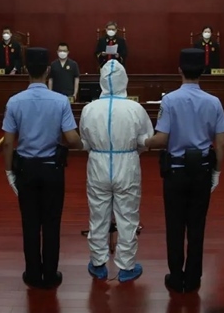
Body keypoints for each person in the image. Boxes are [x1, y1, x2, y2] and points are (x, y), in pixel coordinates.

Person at [144, 48, 224, 293]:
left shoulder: (170, 100)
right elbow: (221, 143)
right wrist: (216, 173)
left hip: (176, 172)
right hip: (202, 171)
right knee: (197, 226)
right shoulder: (214, 102)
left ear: (179, 70)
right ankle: (193, 278)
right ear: (202, 71)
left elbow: (161, 139)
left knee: (175, 225)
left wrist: (144, 141)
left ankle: (175, 276)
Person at [2, 47, 83, 289]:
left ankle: (32, 273)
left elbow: (8, 143)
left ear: (26, 70)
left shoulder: (14, 101)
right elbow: (72, 138)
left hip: (25, 170)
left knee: (29, 223)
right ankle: (50, 273)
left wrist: (8, 172)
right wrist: (81, 143)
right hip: (52, 169)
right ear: (48, 70)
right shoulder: (60, 101)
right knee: (51, 222)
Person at [79, 59, 153, 283]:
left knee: (98, 215)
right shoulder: (135, 108)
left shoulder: (89, 108)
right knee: (128, 217)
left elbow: (84, 141)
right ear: (125, 80)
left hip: (98, 164)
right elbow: (146, 140)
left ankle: (98, 264)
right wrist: (131, 150)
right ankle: (127, 267)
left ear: (101, 81)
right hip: (127, 163)